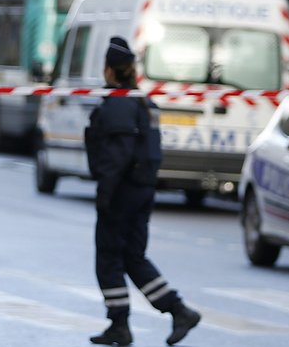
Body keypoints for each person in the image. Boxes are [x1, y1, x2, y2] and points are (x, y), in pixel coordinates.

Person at [85, 37, 202, 346]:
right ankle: (177, 311)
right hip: (142, 191)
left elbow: (117, 155)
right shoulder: (141, 101)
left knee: (109, 257)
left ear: (109, 71)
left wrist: (105, 195)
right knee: (133, 257)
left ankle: (121, 324)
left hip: (122, 191)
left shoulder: (120, 103)